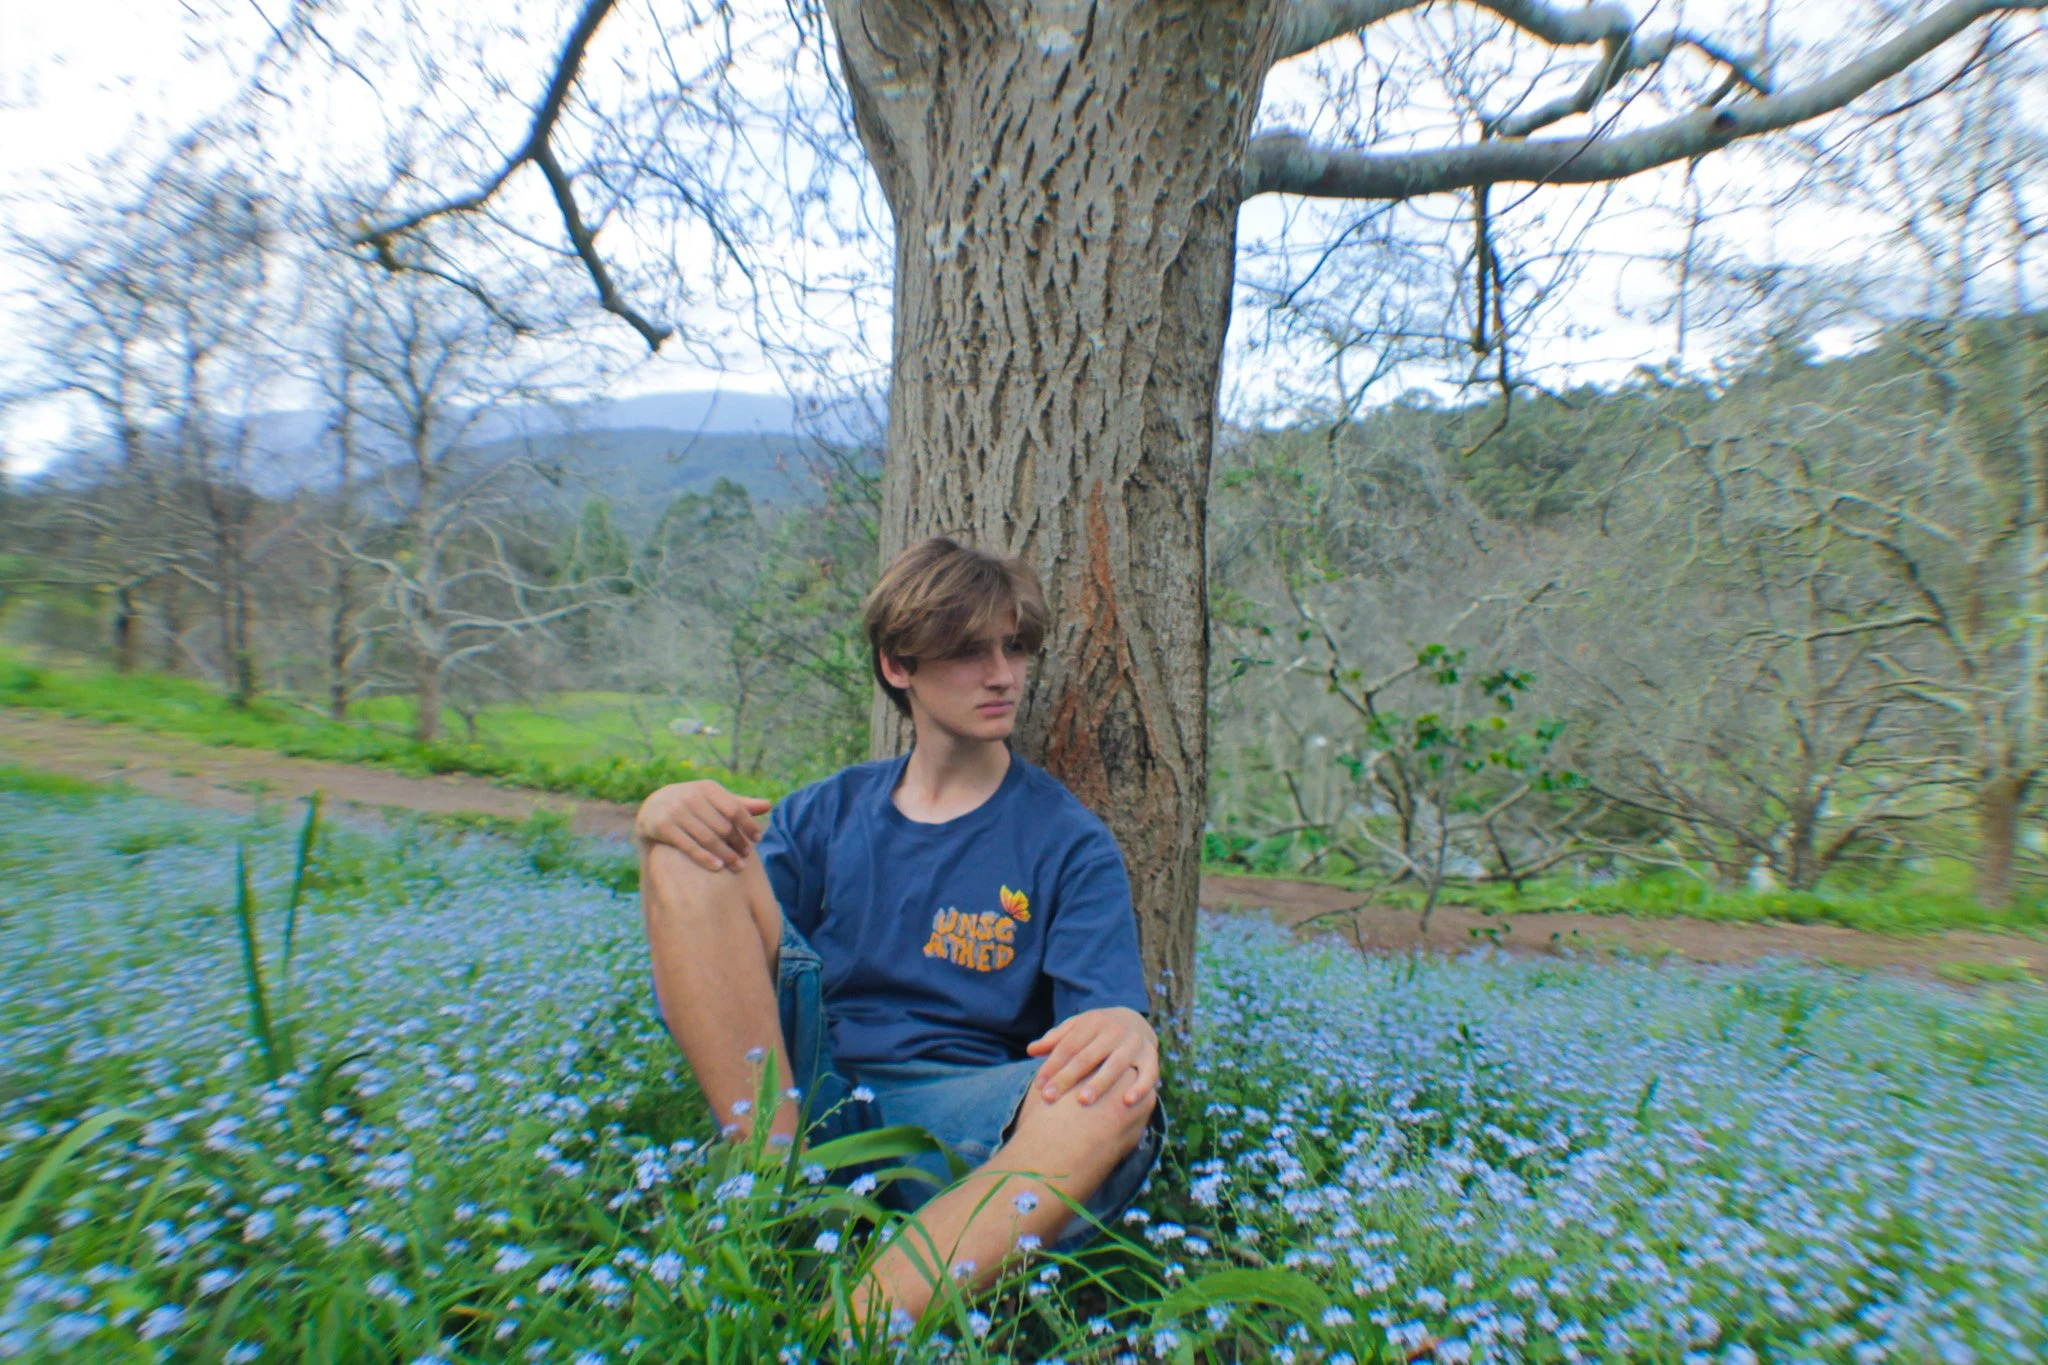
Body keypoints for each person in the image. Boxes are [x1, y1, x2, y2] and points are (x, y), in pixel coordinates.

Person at [635, 536, 1163, 1324]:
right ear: (897, 666)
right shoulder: (827, 811)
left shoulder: (1067, 839)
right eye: (968, 650)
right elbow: (718, 956)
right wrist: (658, 822)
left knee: (1116, 1090)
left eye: (1015, 647)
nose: (1002, 673)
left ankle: (849, 1326)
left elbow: (1099, 1027)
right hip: (805, 1091)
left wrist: (1126, 1023)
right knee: (685, 852)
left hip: (966, 1126)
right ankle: (775, 1205)